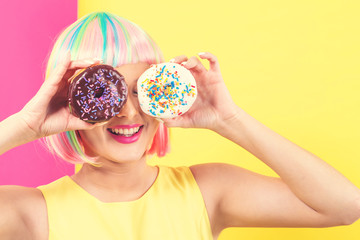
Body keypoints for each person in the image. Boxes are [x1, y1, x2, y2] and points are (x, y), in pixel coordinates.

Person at [0, 11, 359, 240]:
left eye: (144, 90)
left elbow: (345, 207)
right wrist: (24, 125)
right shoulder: (30, 212)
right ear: (69, 101)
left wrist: (230, 120)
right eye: (103, 95)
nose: (128, 112)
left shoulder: (207, 191)